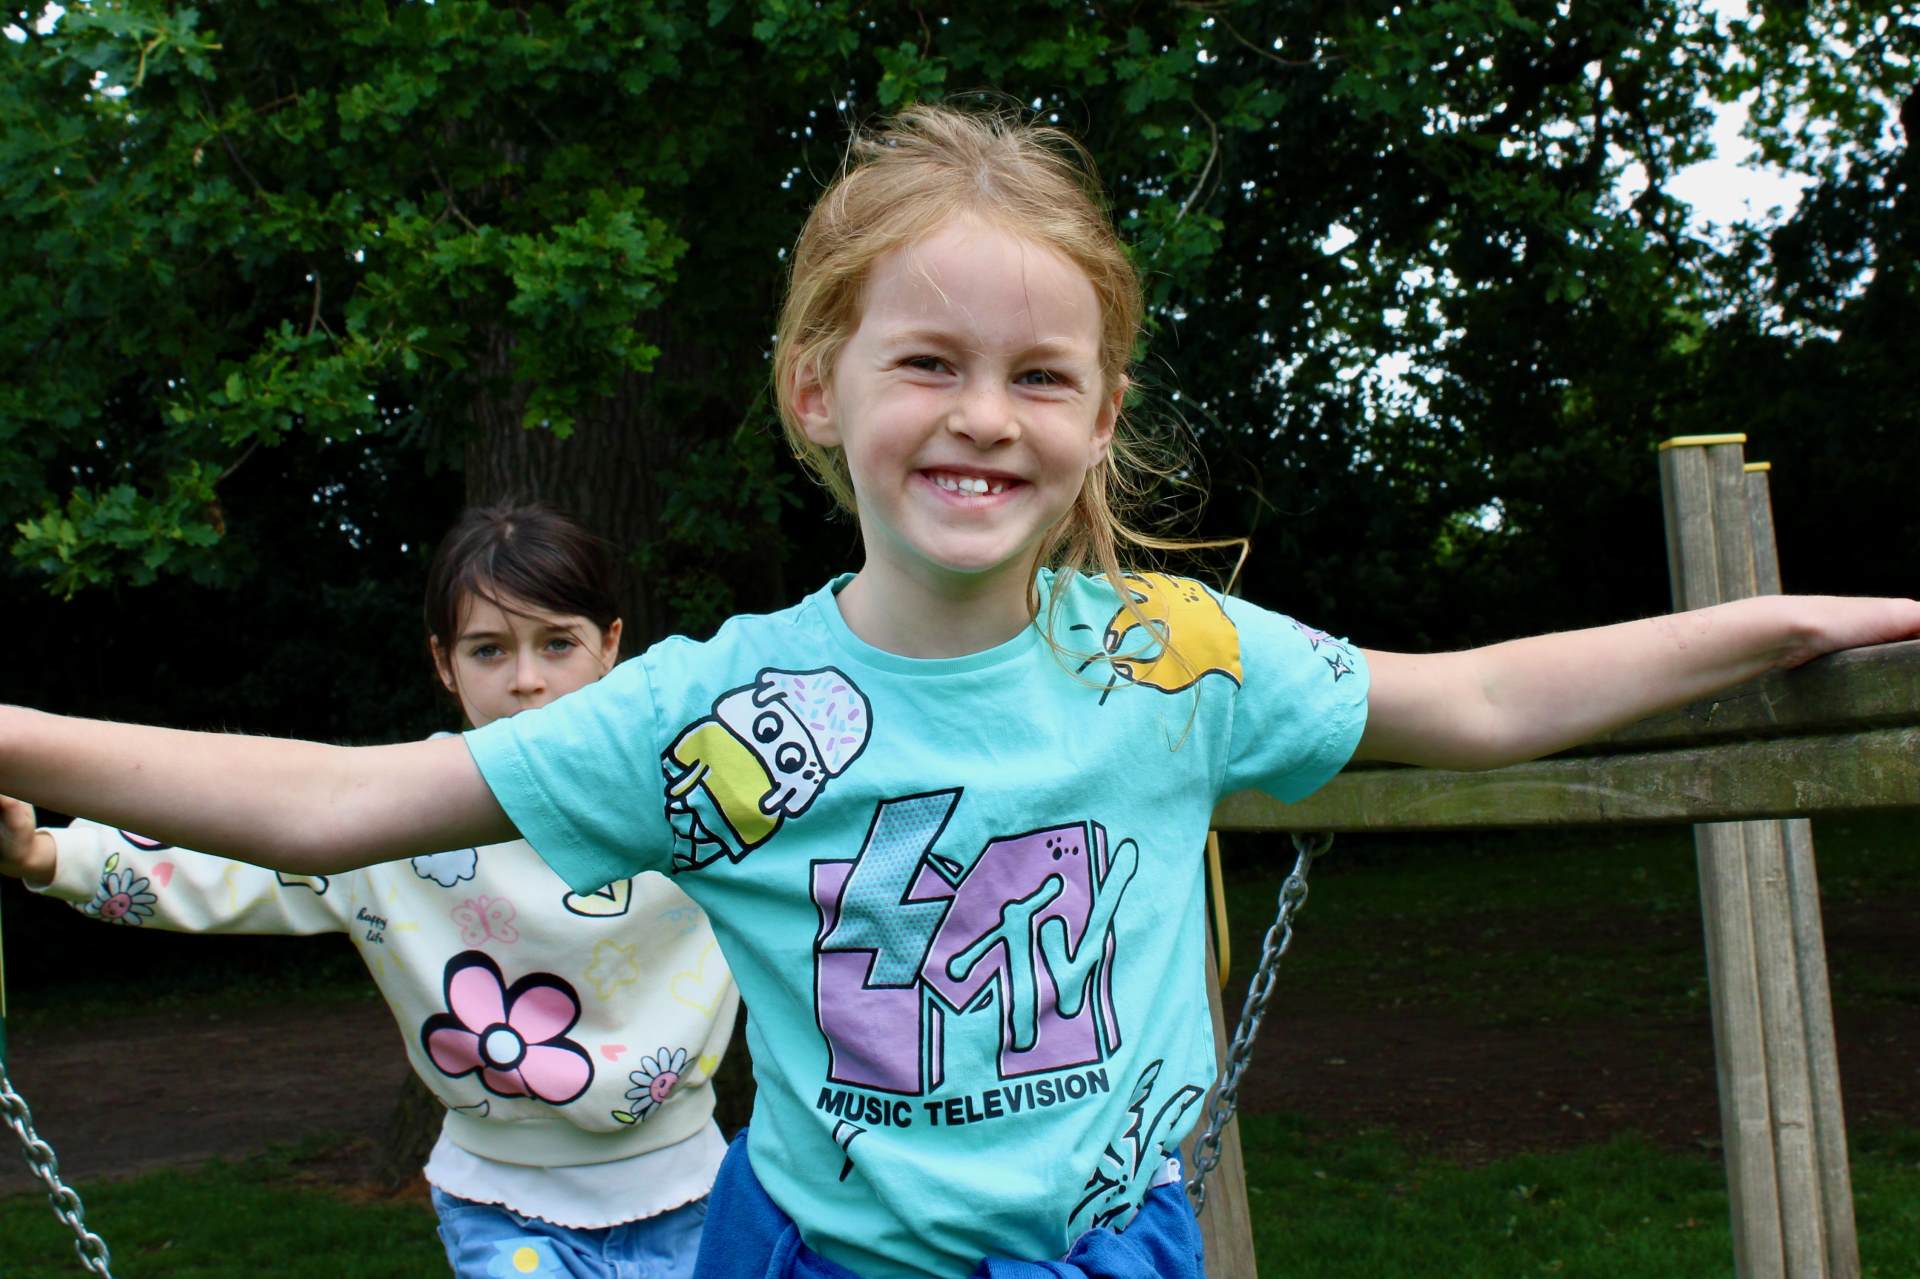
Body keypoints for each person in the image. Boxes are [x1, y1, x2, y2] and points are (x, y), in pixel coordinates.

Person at [2, 105, 1917, 1279]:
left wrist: (1775, 621)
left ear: (1098, 418)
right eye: (927, 359)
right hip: (815, 1255)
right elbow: (342, 802)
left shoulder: (1172, 653)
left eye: (1040, 375)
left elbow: (1476, 701)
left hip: (1111, 1250)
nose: (984, 414)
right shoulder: (718, 711)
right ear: (819, 388)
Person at [0, 503, 739, 1279]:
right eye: (489, 649)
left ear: (610, 645)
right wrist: (49, 852)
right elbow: (233, 853)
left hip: (691, 1191)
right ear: (444, 662)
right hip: (504, 1206)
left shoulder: (698, 797)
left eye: (557, 642)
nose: (527, 679)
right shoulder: (395, 816)